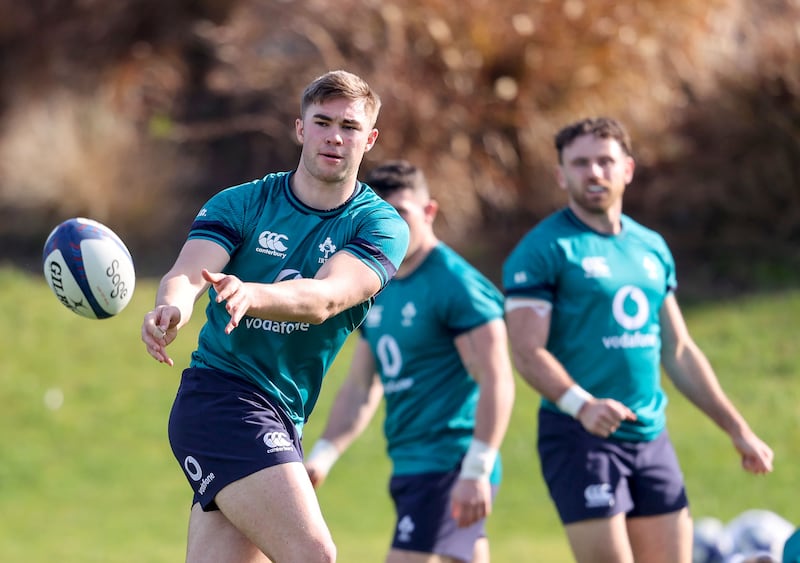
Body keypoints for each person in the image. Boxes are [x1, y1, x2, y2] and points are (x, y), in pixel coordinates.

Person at [140, 70, 410, 563]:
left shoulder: (380, 225)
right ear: (299, 129)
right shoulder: (242, 202)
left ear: (369, 140)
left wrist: (253, 295)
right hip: (222, 400)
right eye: (322, 122)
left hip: (285, 413)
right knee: (313, 555)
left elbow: (327, 297)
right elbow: (189, 272)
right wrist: (172, 308)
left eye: (349, 127)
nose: (334, 136)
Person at [501, 116, 774, 563]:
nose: (594, 172)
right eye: (581, 163)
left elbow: (679, 350)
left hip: (650, 435)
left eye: (605, 161)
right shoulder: (543, 250)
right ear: (561, 174)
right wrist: (582, 404)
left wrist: (737, 429)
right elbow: (527, 352)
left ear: (627, 169)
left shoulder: (651, 248)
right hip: (580, 437)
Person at [304, 160, 515, 563]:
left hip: (450, 464)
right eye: (384, 215)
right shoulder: (377, 285)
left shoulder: (458, 285)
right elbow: (362, 387)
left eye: (402, 213)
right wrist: (324, 455)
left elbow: (496, 378)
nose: (393, 225)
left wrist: (476, 468)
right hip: (411, 464)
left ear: (429, 212)